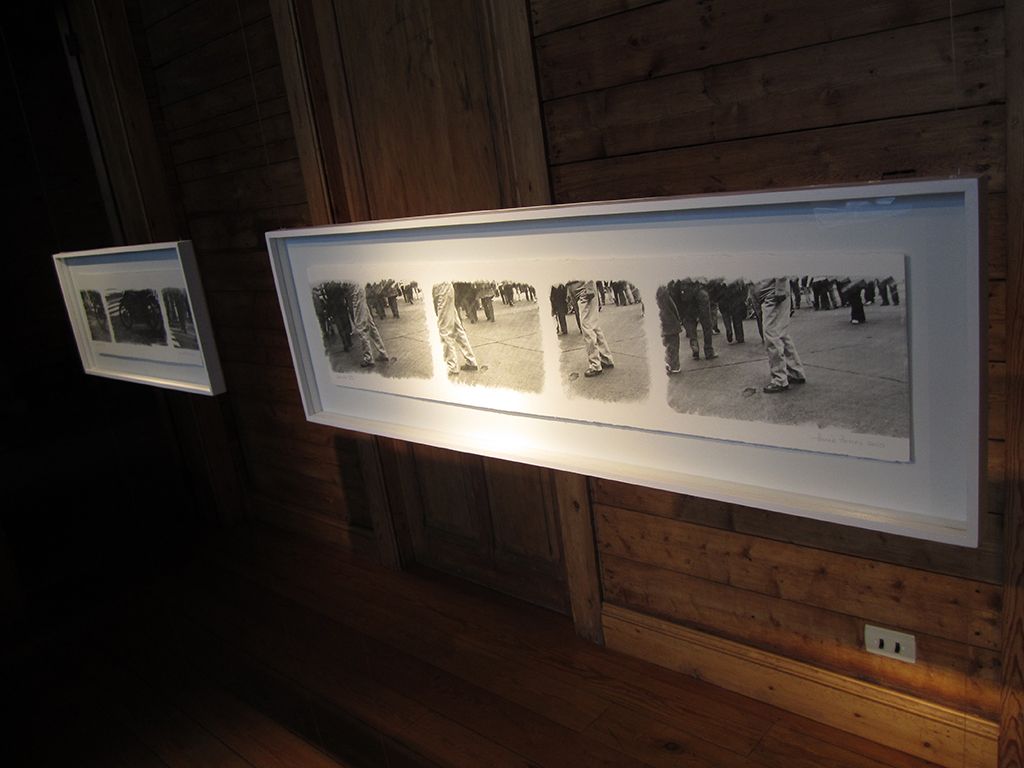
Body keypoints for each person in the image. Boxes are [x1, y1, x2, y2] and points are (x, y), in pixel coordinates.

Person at [755, 277, 806, 393]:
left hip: (772, 291)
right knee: (781, 334)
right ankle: (795, 372)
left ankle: (779, 379)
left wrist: (780, 287)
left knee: (771, 335)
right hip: (769, 291)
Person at [567, 279, 614, 377]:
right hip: (582, 290)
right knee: (594, 326)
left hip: (583, 291)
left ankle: (595, 365)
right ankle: (606, 359)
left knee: (587, 328)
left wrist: (588, 288)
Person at [433, 281, 479, 375]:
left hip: (440, 286)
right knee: (457, 329)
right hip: (443, 286)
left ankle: (452, 367)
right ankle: (471, 361)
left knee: (444, 331)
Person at [346, 281, 388, 368]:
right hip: (359, 290)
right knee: (371, 326)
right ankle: (382, 352)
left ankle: (368, 358)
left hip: (355, 292)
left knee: (361, 328)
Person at [656, 284, 682, 374]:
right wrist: (678, 319)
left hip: (660, 321)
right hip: (670, 321)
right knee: (674, 344)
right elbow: (673, 307)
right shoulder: (665, 293)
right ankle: (675, 366)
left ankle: (665, 362)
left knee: (664, 344)